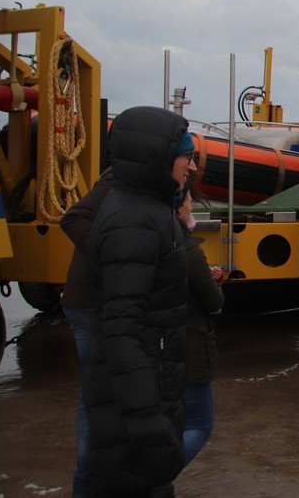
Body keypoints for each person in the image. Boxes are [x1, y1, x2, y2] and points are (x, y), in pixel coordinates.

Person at [84, 106, 195, 495]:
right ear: (160, 157)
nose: (191, 167)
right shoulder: (136, 221)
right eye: (187, 156)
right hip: (139, 398)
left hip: (150, 382)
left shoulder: (144, 209)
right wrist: (147, 418)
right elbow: (122, 330)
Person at [60, 168, 115, 498]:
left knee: (98, 391)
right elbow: (74, 219)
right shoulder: (120, 179)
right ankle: (89, 479)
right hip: (92, 303)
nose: (192, 165)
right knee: (96, 391)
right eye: (186, 156)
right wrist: (114, 253)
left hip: (95, 301)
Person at [176, 186, 224, 468]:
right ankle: (155, 477)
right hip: (192, 349)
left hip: (164, 349)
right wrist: (212, 281)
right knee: (200, 425)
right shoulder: (190, 251)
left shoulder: (158, 241)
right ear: (181, 206)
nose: (193, 205)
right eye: (191, 200)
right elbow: (213, 302)